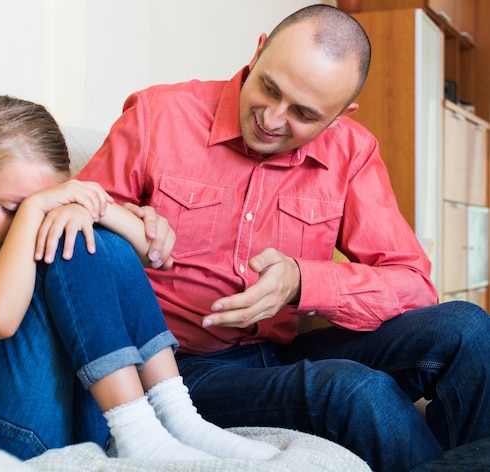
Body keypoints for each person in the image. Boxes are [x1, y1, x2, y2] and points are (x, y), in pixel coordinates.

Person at [76, 4, 490, 471]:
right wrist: (133, 223)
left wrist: (302, 282)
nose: (271, 119)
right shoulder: (158, 117)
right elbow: (78, 239)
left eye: (303, 114)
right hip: (181, 370)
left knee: (468, 329)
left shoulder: (352, 152)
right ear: (258, 52)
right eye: (268, 88)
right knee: (356, 392)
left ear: (338, 116)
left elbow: (414, 284)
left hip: (285, 350)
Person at [0, 94, 281, 462]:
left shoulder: (37, 225)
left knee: (91, 235)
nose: (27, 220)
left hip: (71, 423)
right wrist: (38, 210)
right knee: (68, 241)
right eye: (14, 208)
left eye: (41, 203)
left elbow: (156, 254)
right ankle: (140, 434)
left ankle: (176, 415)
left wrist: (88, 208)